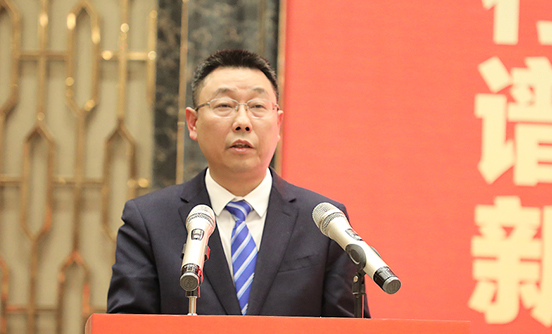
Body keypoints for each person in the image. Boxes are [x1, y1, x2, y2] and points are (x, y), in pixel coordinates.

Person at [107, 49, 367, 317]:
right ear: (193, 123)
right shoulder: (148, 221)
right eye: (224, 105)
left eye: (257, 106)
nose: (242, 122)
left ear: (278, 124)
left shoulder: (324, 224)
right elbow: (126, 332)